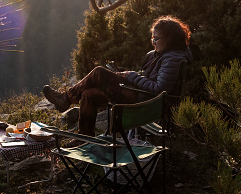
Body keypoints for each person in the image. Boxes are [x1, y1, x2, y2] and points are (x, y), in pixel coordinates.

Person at [43, 15, 193, 137]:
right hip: (143, 96)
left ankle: (66, 99)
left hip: (150, 103)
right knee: (89, 94)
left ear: (170, 38)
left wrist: (131, 77)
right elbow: (149, 78)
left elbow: (159, 88)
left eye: (157, 39)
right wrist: (127, 75)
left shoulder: (173, 58)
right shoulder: (158, 55)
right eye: (152, 38)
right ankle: (84, 137)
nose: (153, 43)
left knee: (98, 72)